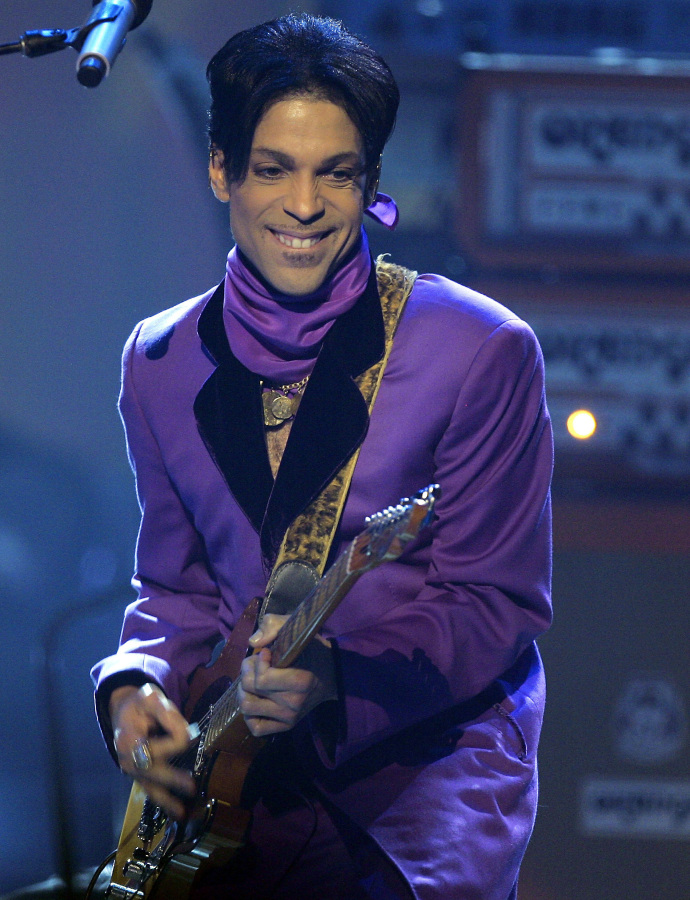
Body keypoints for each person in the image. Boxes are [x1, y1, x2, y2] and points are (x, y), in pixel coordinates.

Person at [91, 13, 553, 900]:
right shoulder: (157, 359)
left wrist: (336, 679)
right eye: (274, 169)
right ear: (222, 169)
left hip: (418, 795)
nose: (304, 206)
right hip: (235, 793)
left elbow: (494, 602)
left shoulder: (478, 349)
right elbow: (176, 590)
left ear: (368, 182)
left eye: (335, 174)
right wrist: (134, 685)